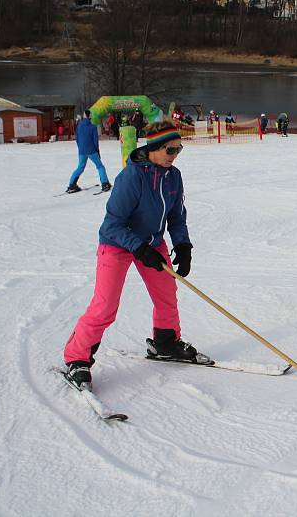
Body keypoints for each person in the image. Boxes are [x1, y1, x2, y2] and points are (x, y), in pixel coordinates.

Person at [63, 120, 207, 390]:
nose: (174, 155)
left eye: (179, 149)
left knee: (166, 297)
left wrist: (183, 246)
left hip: (152, 243)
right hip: (117, 244)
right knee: (105, 307)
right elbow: (112, 224)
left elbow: (176, 216)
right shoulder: (132, 177)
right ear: (153, 148)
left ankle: (166, 343)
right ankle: (77, 358)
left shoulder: (173, 176)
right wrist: (139, 248)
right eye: (169, 150)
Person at [67, 110, 111, 193]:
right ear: (90, 116)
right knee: (100, 166)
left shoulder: (79, 126)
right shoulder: (93, 127)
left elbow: (77, 139)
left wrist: (80, 148)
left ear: (84, 116)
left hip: (82, 150)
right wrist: (97, 150)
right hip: (91, 150)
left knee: (80, 167)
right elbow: (95, 141)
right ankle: (105, 184)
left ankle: (72, 185)